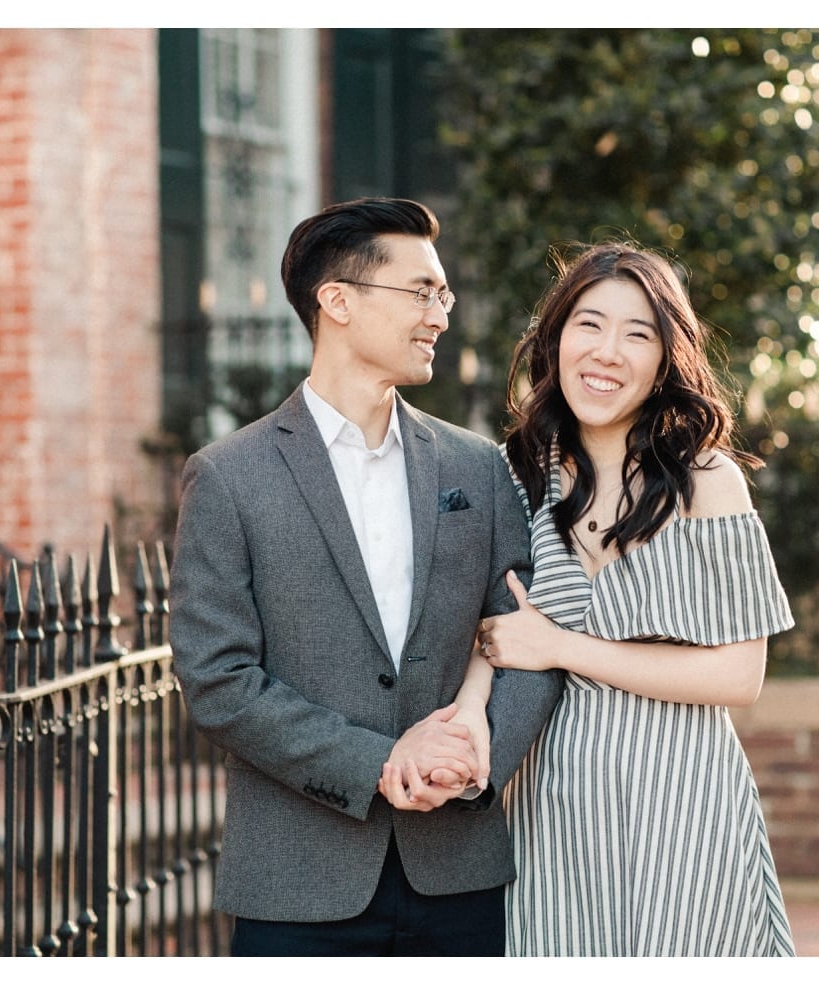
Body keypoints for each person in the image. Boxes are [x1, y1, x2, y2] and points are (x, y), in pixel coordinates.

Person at [168, 197, 562, 957]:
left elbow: (528, 636)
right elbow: (217, 680)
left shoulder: (475, 465)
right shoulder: (227, 477)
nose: (440, 313)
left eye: (441, 293)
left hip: (459, 873)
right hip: (297, 885)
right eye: (421, 291)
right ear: (338, 300)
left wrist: (471, 764)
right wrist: (378, 764)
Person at [467, 241, 797, 956]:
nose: (608, 351)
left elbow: (739, 676)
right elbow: (477, 636)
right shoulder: (510, 477)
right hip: (550, 807)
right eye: (589, 324)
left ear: (664, 358)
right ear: (555, 340)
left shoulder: (708, 482)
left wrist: (560, 645)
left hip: (684, 805)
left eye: (637, 333)